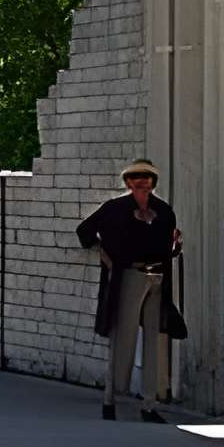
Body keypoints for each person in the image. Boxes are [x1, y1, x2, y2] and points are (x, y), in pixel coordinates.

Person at [78, 159, 183, 422]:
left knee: (153, 341)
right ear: (127, 182)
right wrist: (103, 252)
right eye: (136, 177)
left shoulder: (164, 211)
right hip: (130, 276)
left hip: (157, 277)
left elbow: (170, 244)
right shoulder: (115, 208)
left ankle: (148, 404)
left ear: (153, 182)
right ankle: (110, 399)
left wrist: (175, 246)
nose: (141, 182)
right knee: (123, 338)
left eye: (146, 177)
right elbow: (85, 231)